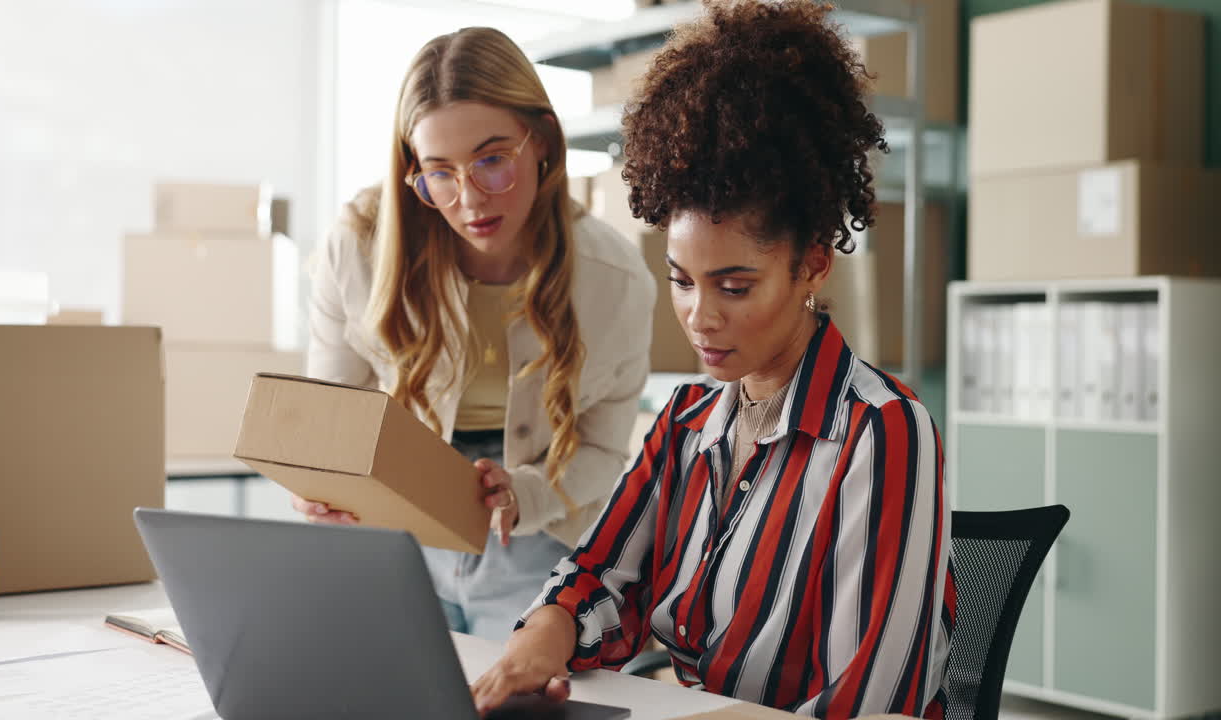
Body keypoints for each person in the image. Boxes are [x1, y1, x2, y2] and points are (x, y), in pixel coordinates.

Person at [472, 1, 956, 717]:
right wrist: (549, 626)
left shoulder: (880, 433)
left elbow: (874, 699)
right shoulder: (688, 420)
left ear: (813, 266)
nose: (700, 317)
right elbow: (604, 573)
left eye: (735, 286)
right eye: (681, 280)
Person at [296, 26, 656, 644]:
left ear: (540, 139)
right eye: (440, 172)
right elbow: (330, 417)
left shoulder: (615, 280)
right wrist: (320, 485)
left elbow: (602, 452)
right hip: (398, 517)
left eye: (492, 159)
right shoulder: (357, 246)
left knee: (517, 701)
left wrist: (528, 494)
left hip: (538, 524)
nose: (469, 201)